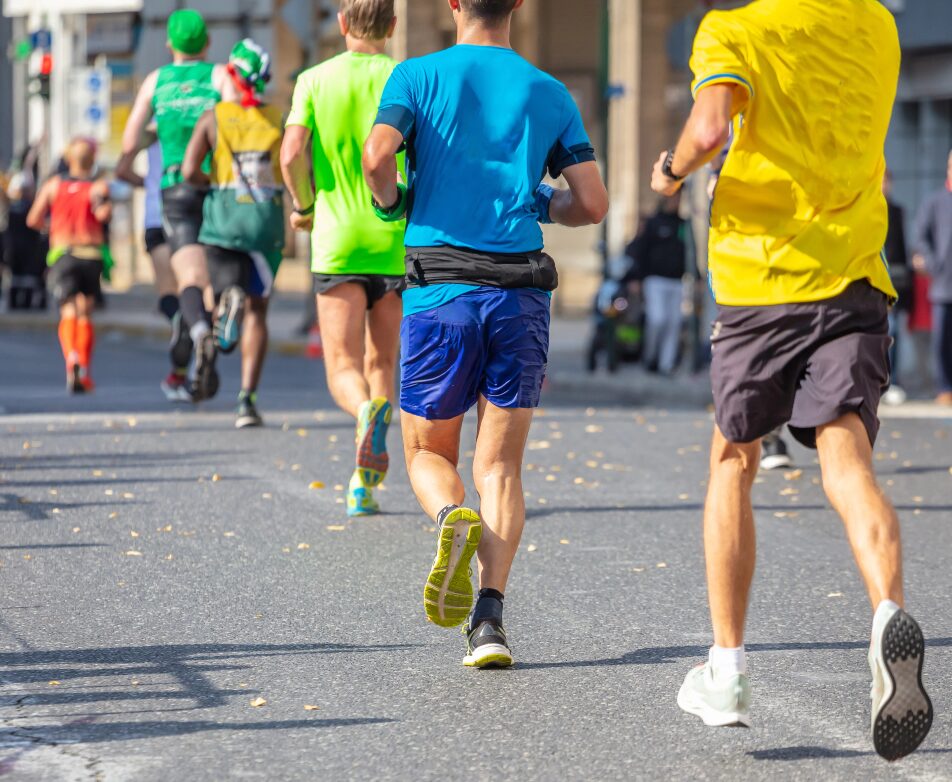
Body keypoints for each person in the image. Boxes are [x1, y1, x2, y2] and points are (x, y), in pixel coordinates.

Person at [650, 0, 932, 760]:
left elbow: (709, 128)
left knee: (733, 460)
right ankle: (886, 615)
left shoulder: (735, 31)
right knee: (846, 457)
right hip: (855, 278)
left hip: (762, 280)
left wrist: (671, 171)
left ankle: (728, 670)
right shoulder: (877, 23)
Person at [363, 0, 608, 668]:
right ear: (519, 7)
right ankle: (489, 622)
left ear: (452, 4)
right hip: (520, 297)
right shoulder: (548, 91)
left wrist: (392, 202)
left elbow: (377, 154)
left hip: (441, 292)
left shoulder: (415, 77)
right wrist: (538, 201)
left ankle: (449, 518)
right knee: (499, 466)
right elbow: (590, 203)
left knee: (428, 454)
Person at [281, 0, 405, 515]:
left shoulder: (314, 79)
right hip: (395, 239)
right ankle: (362, 486)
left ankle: (363, 413)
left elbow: (290, 154)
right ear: (393, 27)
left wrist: (304, 205)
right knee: (383, 361)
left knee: (343, 367)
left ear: (341, 23)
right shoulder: (405, 76)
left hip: (336, 241)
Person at [120, 8, 237, 401]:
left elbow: (129, 141)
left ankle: (200, 332)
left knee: (188, 277)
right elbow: (238, 124)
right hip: (217, 188)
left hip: (174, 189)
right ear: (206, 43)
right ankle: (219, 323)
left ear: (170, 44)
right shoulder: (219, 76)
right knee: (215, 279)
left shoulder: (156, 82)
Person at [182, 39, 285, 429]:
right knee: (259, 311)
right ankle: (247, 400)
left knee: (218, 294)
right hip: (264, 224)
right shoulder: (278, 117)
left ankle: (224, 326)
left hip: (223, 223)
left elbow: (191, 169)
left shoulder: (214, 117)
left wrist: (214, 177)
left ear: (231, 73)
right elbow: (294, 165)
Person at [26, 138, 111, 393]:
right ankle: (84, 368)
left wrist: (52, 228)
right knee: (85, 312)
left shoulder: (54, 185)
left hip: (63, 254)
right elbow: (103, 216)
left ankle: (71, 358)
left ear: (69, 159)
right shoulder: (97, 186)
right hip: (91, 254)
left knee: (68, 312)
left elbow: (33, 219)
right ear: (93, 159)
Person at [116, 136, 192, 402]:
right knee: (194, 295)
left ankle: (177, 322)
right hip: (191, 212)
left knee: (169, 295)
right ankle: (186, 370)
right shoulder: (199, 114)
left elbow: (122, 170)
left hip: (156, 216)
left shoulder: (152, 129)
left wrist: (149, 183)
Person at [628, 193, 687, 375]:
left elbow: (689, 252)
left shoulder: (683, 225)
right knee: (658, 319)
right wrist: (636, 277)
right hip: (655, 279)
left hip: (677, 280)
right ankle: (650, 356)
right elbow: (641, 250)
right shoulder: (653, 223)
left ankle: (666, 364)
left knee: (674, 322)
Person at [913, 150, 952, 406]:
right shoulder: (935, 202)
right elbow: (918, 237)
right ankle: (945, 387)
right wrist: (931, 262)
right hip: (943, 285)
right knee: (942, 342)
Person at [882, 168, 910, 406]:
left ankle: (893, 380)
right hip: (872, 280)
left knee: (894, 333)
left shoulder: (897, 211)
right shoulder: (864, 207)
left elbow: (902, 248)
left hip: (895, 281)